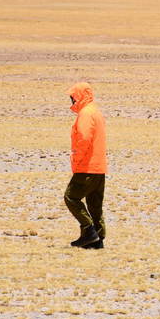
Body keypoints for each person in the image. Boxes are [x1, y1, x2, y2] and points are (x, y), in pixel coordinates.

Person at [64, 81, 107, 249]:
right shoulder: (96, 112)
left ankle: (89, 231)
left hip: (87, 166)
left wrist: (76, 159)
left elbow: (83, 138)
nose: (72, 101)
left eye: (73, 97)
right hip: (99, 166)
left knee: (71, 197)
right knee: (94, 204)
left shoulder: (86, 114)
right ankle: (98, 238)